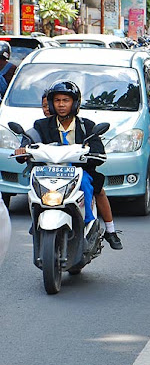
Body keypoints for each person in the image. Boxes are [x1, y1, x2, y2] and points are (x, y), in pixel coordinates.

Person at [14, 81, 122, 250]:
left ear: (75, 103)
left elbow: (98, 151)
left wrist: (92, 154)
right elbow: (28, 142)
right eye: (57, 100)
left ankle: (92, 226)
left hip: (79, 171)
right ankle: (37, 217)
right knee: (33, 187)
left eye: (66, 100)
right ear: (51, 103)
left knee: (88, 184)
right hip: (48, 173)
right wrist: (22, 151)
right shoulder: (41, 126)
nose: (61, 104)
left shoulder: (87, 126)